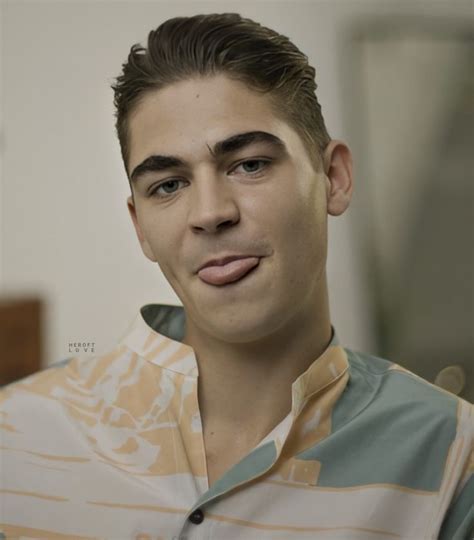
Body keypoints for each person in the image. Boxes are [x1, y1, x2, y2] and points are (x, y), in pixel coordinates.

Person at [0, 13, 472, 540]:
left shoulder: (455, 454)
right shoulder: (15, 436)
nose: (210, 212)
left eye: (248, 164)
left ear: (334, 178)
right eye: (168, 185)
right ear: (141, 228)